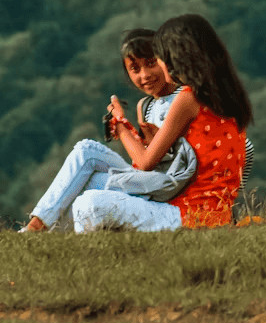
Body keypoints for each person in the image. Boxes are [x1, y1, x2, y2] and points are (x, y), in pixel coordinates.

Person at [69, 13, 254, 232]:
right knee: (91, 185)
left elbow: (145, 163)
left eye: (159, 58)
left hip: (187, 214)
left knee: (88, 203)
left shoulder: (188, 97)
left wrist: (119, 124)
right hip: (208, 213)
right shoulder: (228, 98)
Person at [21, 28, 187, 232]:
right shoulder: (145, 105)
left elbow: (149, 163)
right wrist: (127, 129)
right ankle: (35, 226)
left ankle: (45, 232)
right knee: (85, 154)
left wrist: (122, 127)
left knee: (88, 180)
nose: (145, 75)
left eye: (151, 63)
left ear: (164, 60)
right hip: (151, 180)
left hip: (172, 186)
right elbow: (145, 160)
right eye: (135, 69)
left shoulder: (185, 98)